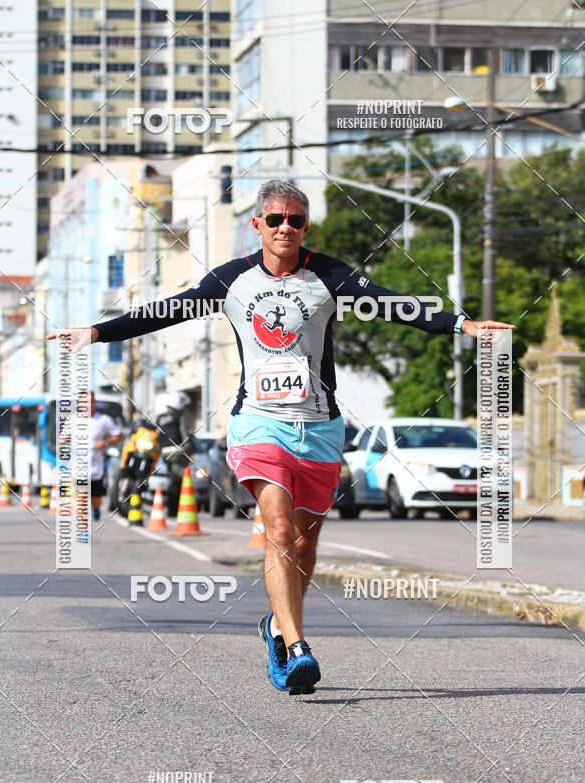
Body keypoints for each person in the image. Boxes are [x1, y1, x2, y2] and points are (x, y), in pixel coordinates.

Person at [48, 178, 515, 695]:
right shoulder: (232, 281)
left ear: (305, 226)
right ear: (258, 226)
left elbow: (393, 304)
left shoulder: (330, 275)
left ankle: (275, 626)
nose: (285, 228)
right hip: (259, 424)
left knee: (305, 541)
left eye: (295, 219)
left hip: (319, 427)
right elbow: (164, 311)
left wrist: (461, 325)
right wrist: (94, 332)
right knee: (276, 528)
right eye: (275, 220)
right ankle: (297, 647)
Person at [81, 391, 123, 521]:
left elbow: (119, 436)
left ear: (94, 403)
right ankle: (83, 532)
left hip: (96, 469)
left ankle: (95, 508)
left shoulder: (103, 420)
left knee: (96, 499)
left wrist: (105, 442)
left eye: (90, 401)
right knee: (80, 500)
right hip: (78, 470)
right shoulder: (72, 420)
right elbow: (61, 438)